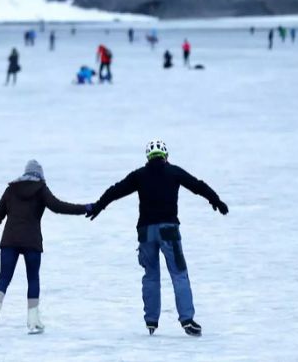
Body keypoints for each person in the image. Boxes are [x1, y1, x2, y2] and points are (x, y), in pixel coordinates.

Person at [85, 139, 228, 337]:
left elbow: (116, 190)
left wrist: (99, 206)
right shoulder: (174, 172)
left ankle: (151, 320)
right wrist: (216, 201)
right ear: (166, 156)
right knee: (178, 273)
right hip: (168, 230)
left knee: (151, 276)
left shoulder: (139, 175)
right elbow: (198, 186)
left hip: (145, 232)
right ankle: (187, 319)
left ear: (148, 157)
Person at [0, 160, 89, 333]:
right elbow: (58, 206)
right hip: (31, 241)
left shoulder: (12, 189)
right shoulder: (40, 189)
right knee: (33, 279)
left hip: (10, 240)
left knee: (4, 278)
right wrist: (85, 208)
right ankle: (33, 322)